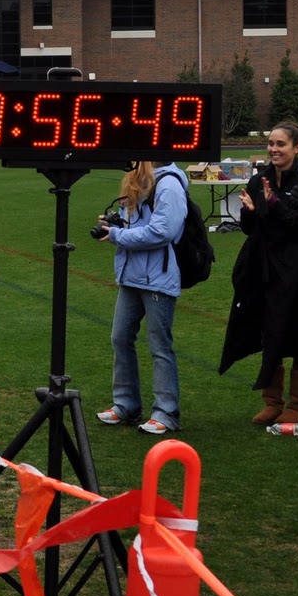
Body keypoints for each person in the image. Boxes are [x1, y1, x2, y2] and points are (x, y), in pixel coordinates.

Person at [220, 122, 298, 426]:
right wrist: (250, 212)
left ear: (297, 147)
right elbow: (250, 229)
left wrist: (275, 206)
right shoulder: (260, 180)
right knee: (268, 333)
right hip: (265, 269)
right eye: (271, 143)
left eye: (280, 144)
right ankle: (272, 402)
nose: (273, 149)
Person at [94, 161, 188, 435]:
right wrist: (114, 224)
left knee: (160, 346)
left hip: (157, 277)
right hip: (132, 275)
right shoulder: (139, 179)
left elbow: (163, 232)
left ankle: (166, 412)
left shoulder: (168, 183)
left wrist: (118, 235)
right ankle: (126, 405)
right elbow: (140, 225)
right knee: (120, 337)